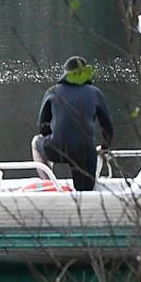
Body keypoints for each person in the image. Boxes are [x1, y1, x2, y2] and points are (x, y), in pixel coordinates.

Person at [32, 56, 114, 191]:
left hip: (57, 148)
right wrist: (105, 146)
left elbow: (42, 127)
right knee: (84, 194)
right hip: (85, 151)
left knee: (36, 142)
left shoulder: (52, 92)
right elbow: (108, 126)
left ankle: (50, 186)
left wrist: (55, 135)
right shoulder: (95, 93)